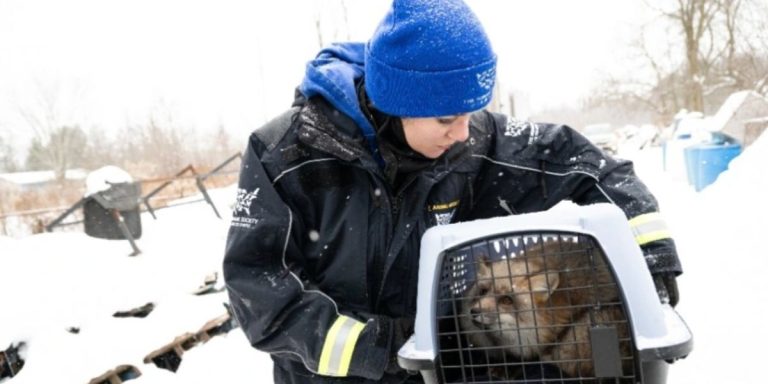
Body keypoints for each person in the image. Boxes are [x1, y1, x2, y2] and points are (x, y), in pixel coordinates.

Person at [223, 0, 682, 383]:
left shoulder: (474, 142)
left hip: (440, 370)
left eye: (471, 113)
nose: (463, 133)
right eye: (447, 119)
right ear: (398, 101)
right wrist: (381, 346)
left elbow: (593, 168)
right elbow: (262, 299)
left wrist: (652, 258)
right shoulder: (284, 155)